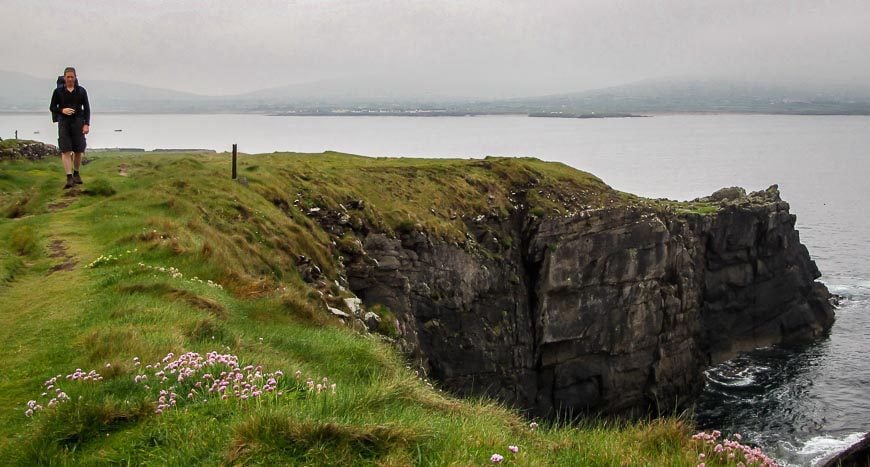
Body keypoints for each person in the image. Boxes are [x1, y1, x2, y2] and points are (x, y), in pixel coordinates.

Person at [49, 67, 90, 189]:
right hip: (64, 123)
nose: (70, 79)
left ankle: (76, 173)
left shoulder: (82, 91)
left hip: (78, 122)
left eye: (72, 77)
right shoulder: (58, 92)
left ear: (75, 77)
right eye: (68, 77)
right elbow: (52, 107)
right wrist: (62, 110)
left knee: (78, 150)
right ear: (64, 77)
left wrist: (86, 124)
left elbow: (87, 109)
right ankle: (69, 177)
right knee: (65, 150)